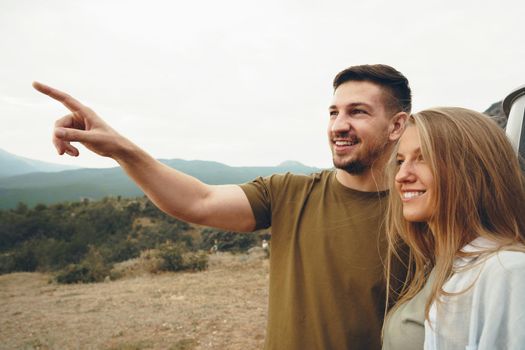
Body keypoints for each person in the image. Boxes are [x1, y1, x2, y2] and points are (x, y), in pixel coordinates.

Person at [33, 64, 411, 350]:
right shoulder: (289, 193)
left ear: (397, 126)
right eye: (333, 112)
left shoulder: (423, 208)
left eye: (357, 112)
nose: (338, 125)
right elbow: (199, 201)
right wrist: (120, 148)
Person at [382, 107, 525, 349]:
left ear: (472, 170)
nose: (401, 175)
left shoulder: (508, 271)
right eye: (400, 161)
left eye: (423, 157)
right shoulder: (436, 265)